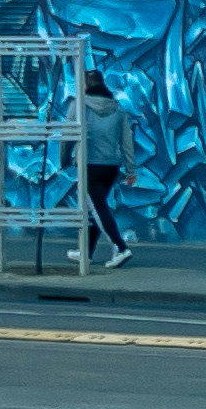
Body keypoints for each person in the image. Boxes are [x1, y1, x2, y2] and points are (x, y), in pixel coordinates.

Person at [76, 68, 131, 263]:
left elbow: (68, 136)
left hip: (90, 164)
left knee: (97, 207)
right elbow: (127, 142)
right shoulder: (118, 109)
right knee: (96, 207)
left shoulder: (79, 106)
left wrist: (64, 160)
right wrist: (131, 170)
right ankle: (86, 252)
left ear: (86, 85)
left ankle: (120, 247)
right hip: (111, 167)